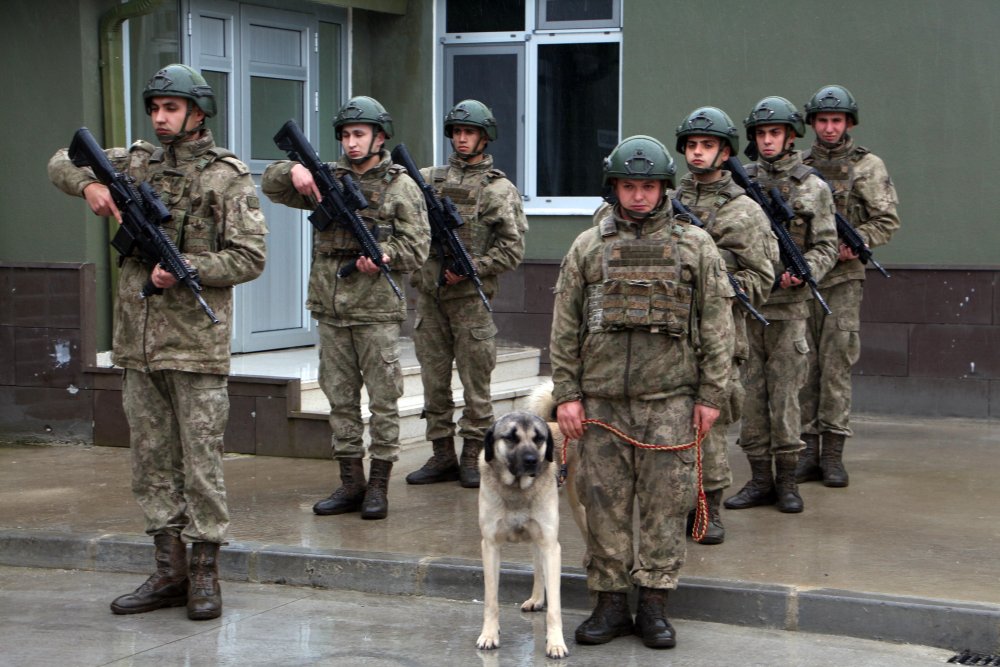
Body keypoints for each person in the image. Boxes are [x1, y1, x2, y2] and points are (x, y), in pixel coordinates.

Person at [47, 64, 268, 620]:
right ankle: (167, 571)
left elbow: (250, 257)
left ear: (198, 113)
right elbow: (60, 160)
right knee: (151, 463)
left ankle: (204, 575)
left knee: (201, 465)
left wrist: (188, 266)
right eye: (155, 108)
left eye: (171, 108)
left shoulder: (227, 177)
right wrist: (92, 184)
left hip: (195, 348)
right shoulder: (137, 161)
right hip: (138, 346)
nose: (160, 117)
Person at [550, 135, 734, 649]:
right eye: (628, 186)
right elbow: (565, 326)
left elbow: (719, 326)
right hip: (602, 404)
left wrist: (710, 397)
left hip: (670, 402)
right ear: (614, 188)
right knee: (603, 504)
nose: (638, 196)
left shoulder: (696, 247)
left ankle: (654, 605)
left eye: (647, 186)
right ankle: (609, 604)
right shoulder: (587, 247)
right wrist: (567, 394)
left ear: (663, 188)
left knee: (664, 507)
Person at [262, 96, 429, 521]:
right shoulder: (326, 179)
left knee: (384, 401)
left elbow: (418, 248)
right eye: (345, 136)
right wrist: (293, 169)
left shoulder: (400, 185)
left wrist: (386, 255)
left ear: (380, 137)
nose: (351, 143)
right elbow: (271, 185)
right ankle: (351, 482)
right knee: (340, 401)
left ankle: (378, 485)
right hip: (331, 309)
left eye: (359, 134)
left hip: (375, 312)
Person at [404, 99, 527, 489]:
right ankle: (441, 454)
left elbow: (512, 249)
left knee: (476, 385)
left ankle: (473, 456)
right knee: (433, 381)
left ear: (484, 138)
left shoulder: (499, 190)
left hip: (471, 302)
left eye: (469, 132)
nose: (461, 139)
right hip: (430, 298)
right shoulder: (428, 180)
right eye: (457, 132)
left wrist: (473, 266)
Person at [724, 96, 838, 515]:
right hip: (749, 304)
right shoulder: (737, 184)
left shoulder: (813, 186)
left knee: (787, 397)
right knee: (751, 395)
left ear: (791, 136)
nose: (767, 141)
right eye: (760, 134)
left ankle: (788, 480)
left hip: (790, 308)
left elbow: (827, 243)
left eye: (775, 133)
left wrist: (804, 269)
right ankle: (759, 479)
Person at [672, 107, 778, 544]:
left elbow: (762, 277)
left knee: (710, 426)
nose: (698, 154)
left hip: (719, 334)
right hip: (670, 331)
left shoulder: (744, 211)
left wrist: (722, 285)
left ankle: (709, 509)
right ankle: (674, 504)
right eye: (692, 146)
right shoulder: (665, 198)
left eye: (708, 146)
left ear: (725, 151)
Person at [797, 85, 901, 488]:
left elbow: (887, 220)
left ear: (848, 123)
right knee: (804, 366)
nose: (828, 128)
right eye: (822, 121)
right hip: (804, 277)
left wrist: (853, 243)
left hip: (843, 278)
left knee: (836, 364)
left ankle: (833, 454)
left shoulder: (867, 166)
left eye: (835, 120)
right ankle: (805, 452)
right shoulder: (799, 166)